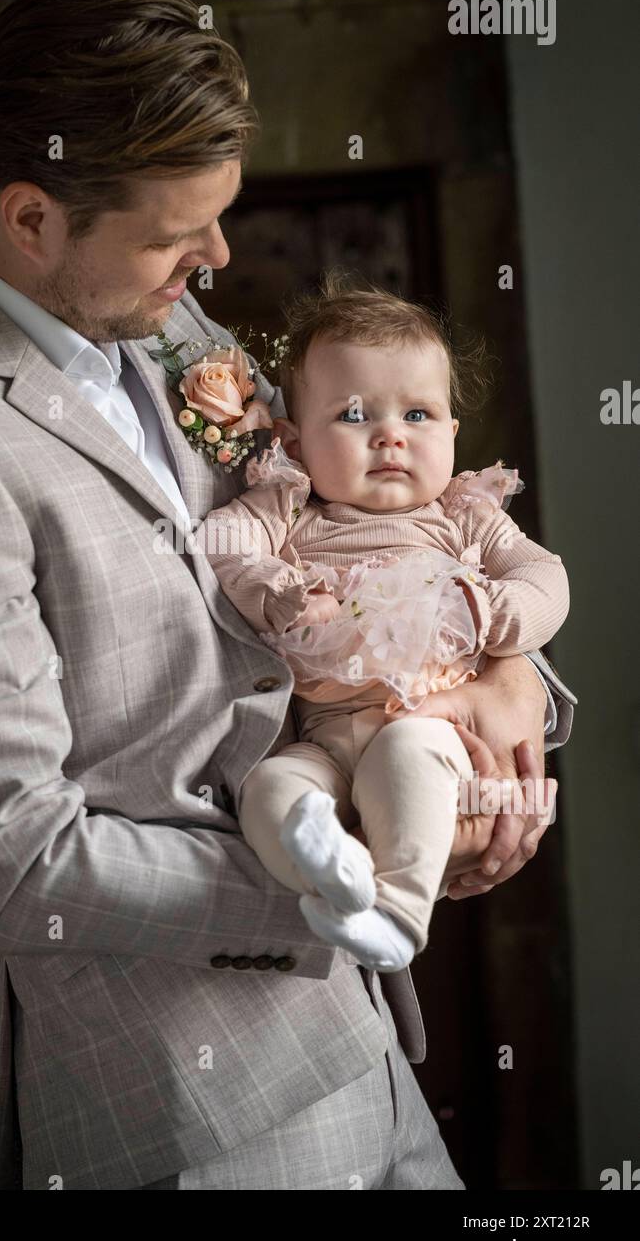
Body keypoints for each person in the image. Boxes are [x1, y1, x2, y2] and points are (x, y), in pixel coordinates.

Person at [0, 0, 575, 1191]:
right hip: (187, 1114)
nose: (214, 257)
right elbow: (12, 860)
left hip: (370, 1046)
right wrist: (356, 871)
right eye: (177, 233)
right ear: (32, 216)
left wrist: (501, 694)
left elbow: (358, 512)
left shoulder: (163, 327)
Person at [196, 278, 570, 974]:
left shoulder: (462, 513)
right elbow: (221, 543)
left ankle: (399, 912)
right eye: (355, 414)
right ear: (296, 442)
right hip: (322, 737)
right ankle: (333, 872)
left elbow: (547, 576)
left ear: (454, 434)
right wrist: (279, 590)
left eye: (420, 415)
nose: (391, 435)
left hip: (430, 722)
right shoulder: (289, 505)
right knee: (271, 791)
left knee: (410, 754)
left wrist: (495, 616)